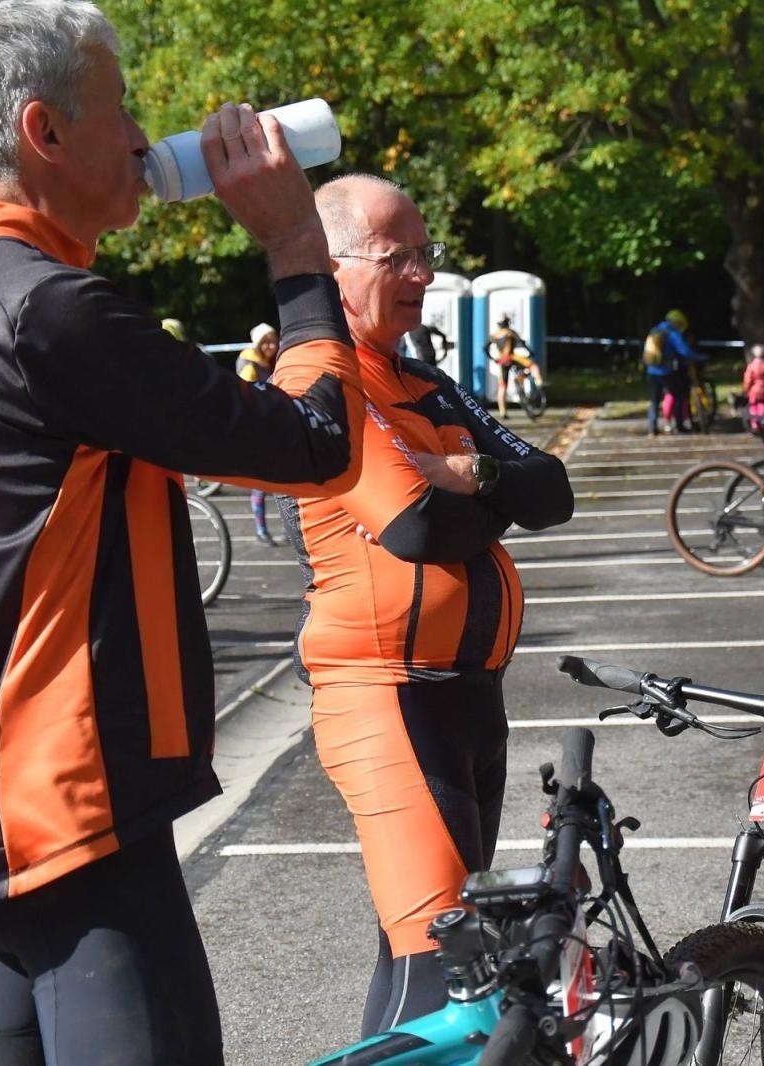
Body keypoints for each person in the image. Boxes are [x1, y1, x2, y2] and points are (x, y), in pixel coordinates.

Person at [0, 2, 366, 1063]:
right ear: (45, 131)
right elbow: (316, 445)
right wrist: (296, 243)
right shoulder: (51, 309)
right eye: (119, 109)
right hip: (74, 819)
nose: (136, 137)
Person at [294, 173, 573, 1037]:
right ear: (330, 265)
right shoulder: (324, 377)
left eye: (427, 254)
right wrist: (475, 499)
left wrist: (470, 475)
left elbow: (552, 488)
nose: (420, 273)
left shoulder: (429, 384)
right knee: (443, 969)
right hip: (389, 695)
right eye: (397, 256)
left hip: (467, 698)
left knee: (433, 957)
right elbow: (416, 526)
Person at [236, 322, 282, 545]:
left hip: (272, 427)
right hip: (257, 430)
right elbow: (244, 401)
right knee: (261, 484)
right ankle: (261, 530)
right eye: (266, 342)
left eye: (274, 340)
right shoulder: (250, 366)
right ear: (257, 344)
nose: (271, 345)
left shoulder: (270, 363)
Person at [643, 308, 701, 435]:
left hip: (652, 370)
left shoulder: (655, 330)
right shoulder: (672, 333)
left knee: (654, 401)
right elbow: (684, 351)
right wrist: (699, 357)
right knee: (679, 396)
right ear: (677, 322)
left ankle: (652, 429)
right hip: (666, 371)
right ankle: (679, 426)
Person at [486, 313, 538, 418]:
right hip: (512, 358)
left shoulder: (495, 335)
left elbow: (485, 348)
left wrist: (493, 359)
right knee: (529, 366)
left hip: (501, 361)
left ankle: (502, 411)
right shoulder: (510, 332)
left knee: (502, 386)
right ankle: (535, 383)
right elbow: (522, 343)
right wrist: (530, 352)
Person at [741, 341, 764, 432]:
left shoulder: (751, 366)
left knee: (753, 407)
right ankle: (763, 422)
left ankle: (755, 424)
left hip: (754, 390)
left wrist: (746, 389)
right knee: (763, 405)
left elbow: (748, 379)